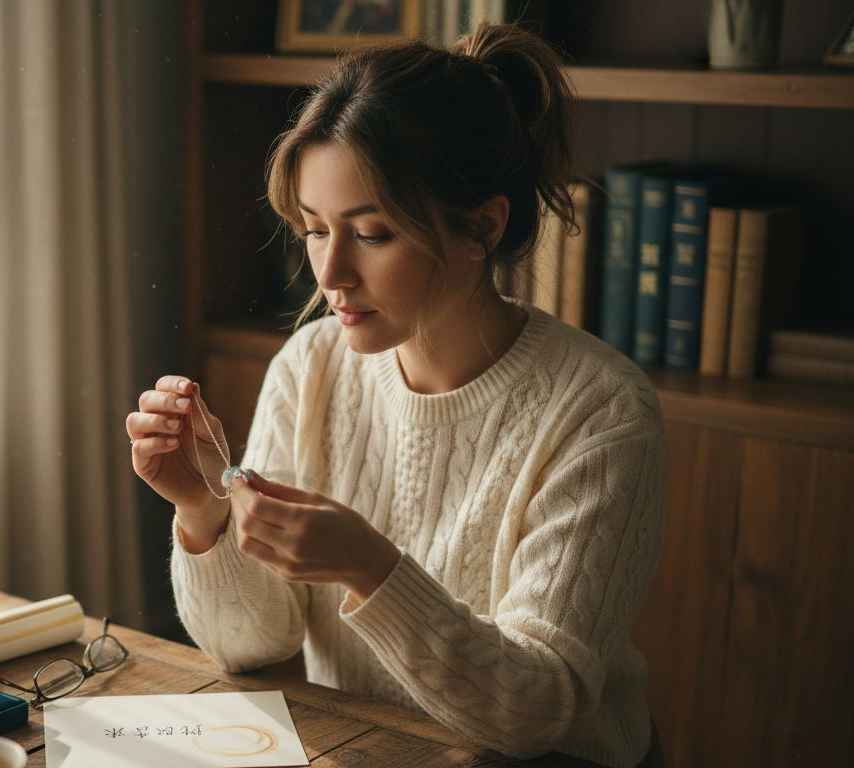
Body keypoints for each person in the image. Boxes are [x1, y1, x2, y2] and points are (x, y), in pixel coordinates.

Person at [125, 23, 667, 768]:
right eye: (315, 231)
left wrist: (373, 570)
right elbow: (255, 646)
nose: (332, 273)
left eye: (372, 234)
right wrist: (203, 512)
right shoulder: (311, 364)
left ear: (481, 227)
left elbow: (538, 710)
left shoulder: (600, 413)